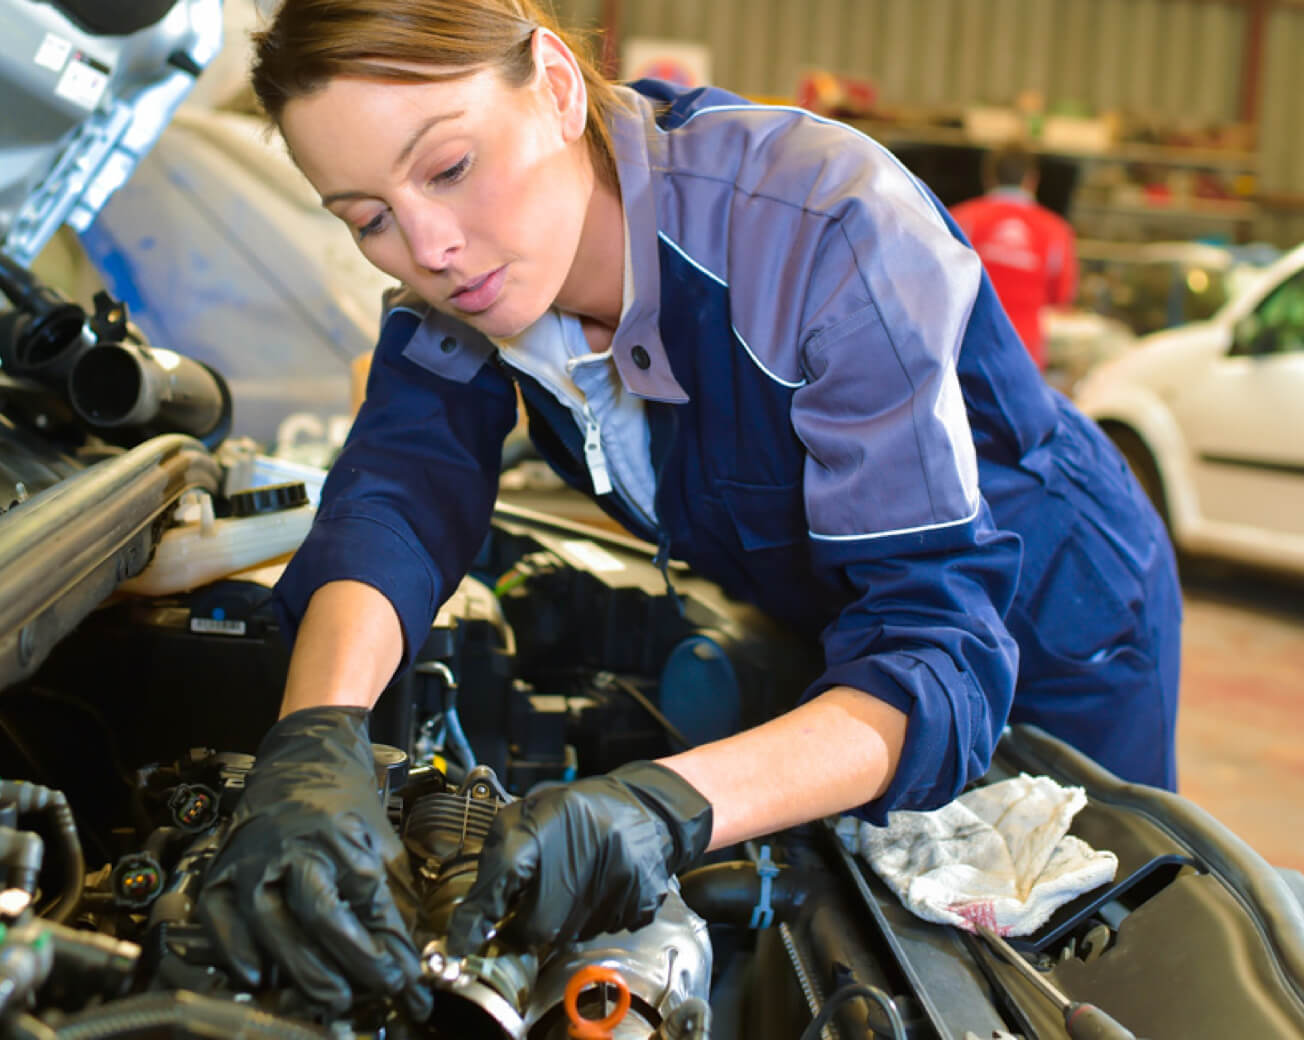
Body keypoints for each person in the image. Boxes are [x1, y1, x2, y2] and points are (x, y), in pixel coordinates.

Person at [195, 0, 1181, 1020]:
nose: (430, 247)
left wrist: (668, 804)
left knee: (1076, 956)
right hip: (837, 614)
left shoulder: (827, 225)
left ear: (558, 87)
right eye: (368, 218)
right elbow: (397, 492)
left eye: (449, 167)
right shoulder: (472, 288)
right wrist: (312, 743)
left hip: (1051, 613)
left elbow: (933, 641)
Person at [950, 144, 1080, 371]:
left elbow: (940, 283)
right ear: (1031, 180)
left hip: (965, 347)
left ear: (988, 176)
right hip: (1023, 356)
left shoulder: (961, 220)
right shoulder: (1056, 231)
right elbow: (1062, 298)